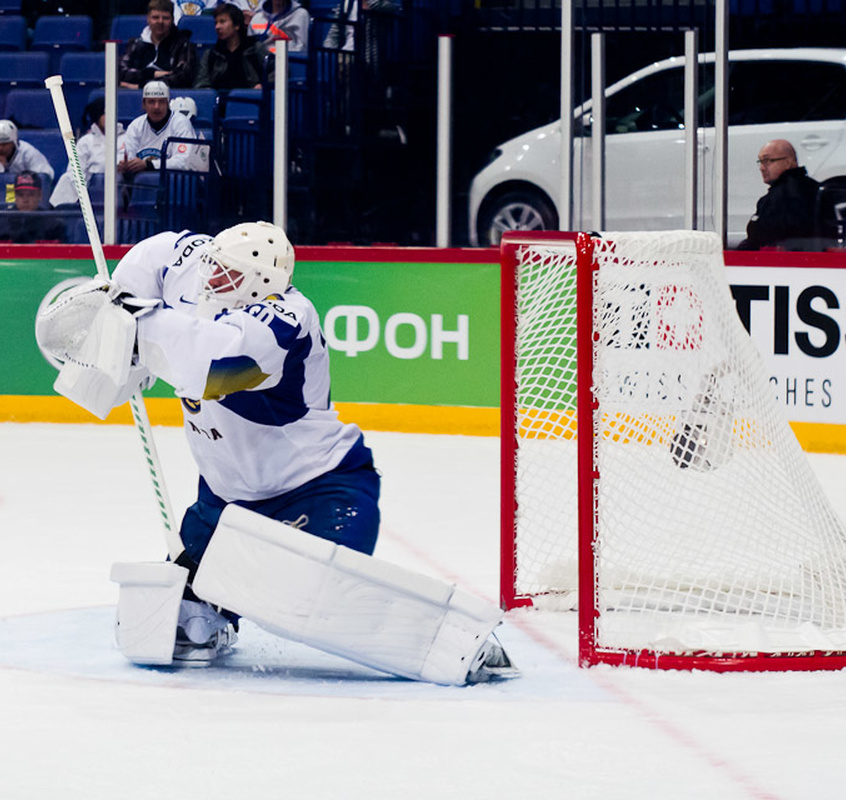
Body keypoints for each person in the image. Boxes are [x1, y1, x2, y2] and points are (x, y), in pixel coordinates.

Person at [33, 222, 512, 682]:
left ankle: (458, 638)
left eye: (230, 276)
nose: (212, 279)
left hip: (319, 491)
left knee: (309, 599)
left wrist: (138, 321)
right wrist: (111, 328)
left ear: (263, 286)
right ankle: (214, 605)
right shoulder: (184, 261)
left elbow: (211, 365)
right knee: (171, 627)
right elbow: (145, 272)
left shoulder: (285, 320)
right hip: (223, 503)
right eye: (214, 265)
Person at [737, 139, 823, 251]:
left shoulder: (783, 197)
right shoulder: (815, 189)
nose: (762, 168)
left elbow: (761, 237)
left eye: (767, 161)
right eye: (760, 162)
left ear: (788, 162)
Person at [50, 96, 128, 207]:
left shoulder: (127, 137)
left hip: (119, 188)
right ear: (97, 116)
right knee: (66, 179)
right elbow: (75, 171)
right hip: (91, 191)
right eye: (104, 113)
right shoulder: (85, 141)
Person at [120, 80, 208, 174]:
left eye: (161, 101)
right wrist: (126, 164)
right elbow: (126, 155)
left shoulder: (181, 123)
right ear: (143, 105)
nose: (156, 107)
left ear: (168, 104)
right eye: (151, 102)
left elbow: (184, 161)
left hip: (172, 183)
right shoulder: (136, 125)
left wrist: (149, 164)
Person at [0, 119, 54, 209]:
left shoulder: (28, 153)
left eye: (4, 144)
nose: (0, 148)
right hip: (0, 198)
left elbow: (46, 176)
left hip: (26, 197)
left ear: (13, 142)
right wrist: (1, 166)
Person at [118, 0, 199, 89]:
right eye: (155, 17)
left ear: (172, 20)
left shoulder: (183, 44)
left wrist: (140, 86)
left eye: (165, 18)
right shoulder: (135, 43)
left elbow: (183, 77)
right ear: (148, 19)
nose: (160, 22)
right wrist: (150, 73)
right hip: (133, 96)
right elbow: (121, 72)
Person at [194, 3, 267, 90]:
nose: (217, 27)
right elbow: (201, 82)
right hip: (220, 100)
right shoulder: (211, 54)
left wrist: (263, 86)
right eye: (216, 23)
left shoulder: (255, 49)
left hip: (250, 100)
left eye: (222, 22)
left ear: (236, 25)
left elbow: (274, 74)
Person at [0, 171, 66, 243]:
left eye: (31, 194)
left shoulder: (54, 225)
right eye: (20, 195)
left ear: (39, 195)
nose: (25, 200)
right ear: (15, 196)